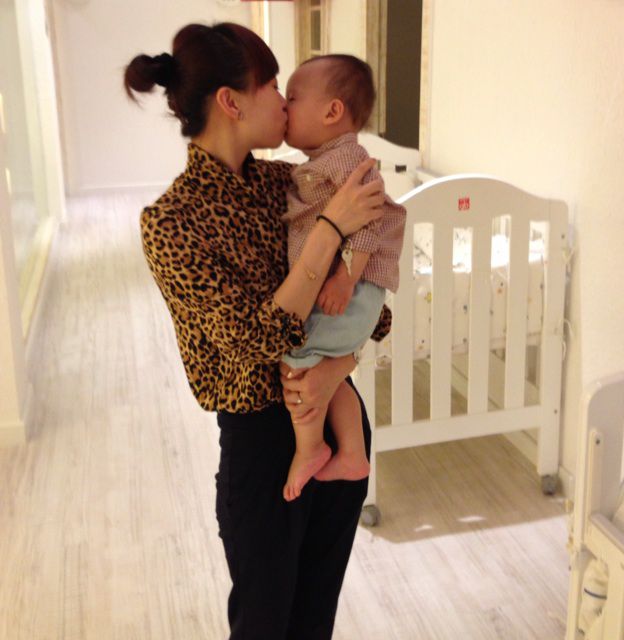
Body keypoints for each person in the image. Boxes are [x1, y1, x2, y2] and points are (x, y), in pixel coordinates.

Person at [123, 22, 391, 640]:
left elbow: (375, 312)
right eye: (271, 84)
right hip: (262, 450)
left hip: (337, 421)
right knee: (264, 625)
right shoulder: (172, 223)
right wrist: (330, 230)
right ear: (231, 101)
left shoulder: (290, 185)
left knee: (315, 618)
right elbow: (252, 340)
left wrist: (337, 367)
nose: (283, 100)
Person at [280, 55, 406, 502]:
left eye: (292, 98)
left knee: (297, 357)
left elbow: (372, 222)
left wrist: (345, 279)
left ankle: (310, 449)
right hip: (346, 289)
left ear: (332, 111)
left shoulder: (348, 160)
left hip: (351, 289)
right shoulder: (325, 160)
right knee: (328, 373)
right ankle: (352, 452)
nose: (284, 106)